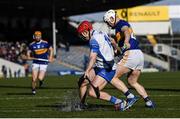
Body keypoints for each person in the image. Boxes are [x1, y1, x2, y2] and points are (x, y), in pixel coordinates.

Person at [77, 21, 138, 111]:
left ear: (86, 31)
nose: (81, 36)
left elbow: (92, 57)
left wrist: (87, 71)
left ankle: (119, 102)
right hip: (101, 66)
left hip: (106, 68)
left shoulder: (93, 39)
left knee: (92, 92)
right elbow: (112, 43)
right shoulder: (101, 33)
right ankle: (82, 105)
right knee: (82, 82)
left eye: (82, 34)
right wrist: (116, 50)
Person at [103, 9, 155, 108]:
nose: (108, 25)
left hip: (131, 54)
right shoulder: (118, 28)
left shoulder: (120, 24)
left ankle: (130, 97)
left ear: (111, 18)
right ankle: (148, 102)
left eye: (107, 22)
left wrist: (126, 41)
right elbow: (119, 50)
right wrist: (115, 45)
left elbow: (126, 30)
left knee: (112, 76)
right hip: (138, 55)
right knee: (132, 82)